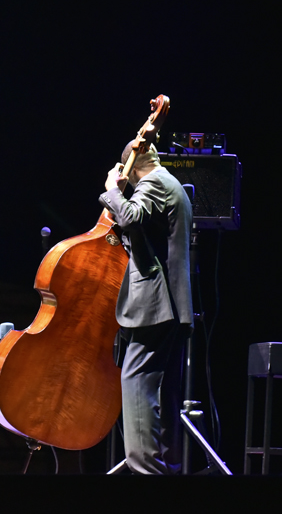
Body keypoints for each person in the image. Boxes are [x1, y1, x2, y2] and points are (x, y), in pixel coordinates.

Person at [99, 141, 193, 474]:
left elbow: (132, 216)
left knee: (137, 387)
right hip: (173, 307)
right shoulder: (174, 185)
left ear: (132, 168)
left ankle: (145, 477)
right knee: (165, 400)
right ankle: (165, 472)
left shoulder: (153, 182)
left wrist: (112, 190)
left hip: (154, 305)